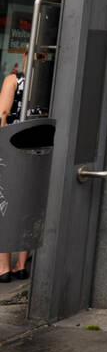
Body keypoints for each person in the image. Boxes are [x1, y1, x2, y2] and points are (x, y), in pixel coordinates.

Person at [0, 54, 29, 282]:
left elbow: (3, 113)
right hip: (34, 150)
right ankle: (21, 266)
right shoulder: (47, 82)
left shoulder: (14, 80)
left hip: (10, 147)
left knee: (5, 204)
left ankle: (3, 269)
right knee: (27, 206)